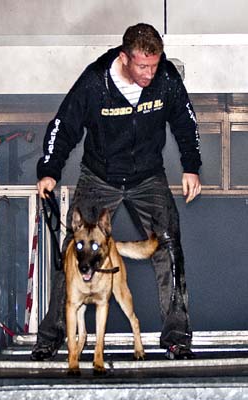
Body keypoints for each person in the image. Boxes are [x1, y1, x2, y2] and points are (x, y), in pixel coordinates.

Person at [31, 22, 202, 361]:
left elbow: (186, 121)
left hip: (147, 178)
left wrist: (191, 166)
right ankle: (52, 335)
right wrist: (49, 171)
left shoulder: (166, 78)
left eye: (154, 65)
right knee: (72, 249)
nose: (149, 73)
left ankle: (177, 337)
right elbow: (64, 125)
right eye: (142, 66)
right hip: (99, 177)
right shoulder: (96, 82)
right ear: (125, 57)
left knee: (168, 246)